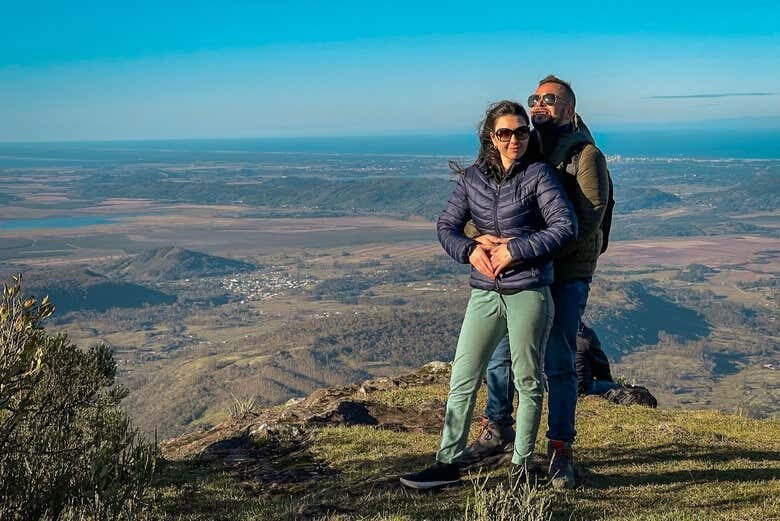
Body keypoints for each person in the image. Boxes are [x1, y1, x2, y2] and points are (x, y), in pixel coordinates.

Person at [399, 100, 576, 490]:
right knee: (463, 377)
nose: (515, 139)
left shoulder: (539, 175)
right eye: (505, 133)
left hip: (528, 289)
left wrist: (517, 249)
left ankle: (522, 466)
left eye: (522, 132)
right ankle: (446, 463)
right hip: (485, 293)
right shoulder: (473, 179)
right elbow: (446, 226)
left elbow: (565, 227)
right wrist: (470, 249)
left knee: (529, 380)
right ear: (490, 137)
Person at [463, 76, 611, 489]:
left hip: (565, 275)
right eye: (535, 99)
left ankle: (560, 449)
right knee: (502, 354)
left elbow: (588, 221)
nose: (540, 104)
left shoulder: (585, 156)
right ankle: (498, 428)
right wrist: (480, 240)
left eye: (550, 99)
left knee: (559, 361)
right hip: (522, 273)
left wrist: (530, 251)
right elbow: (488, 208)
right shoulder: (525, 150)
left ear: (570, 109)